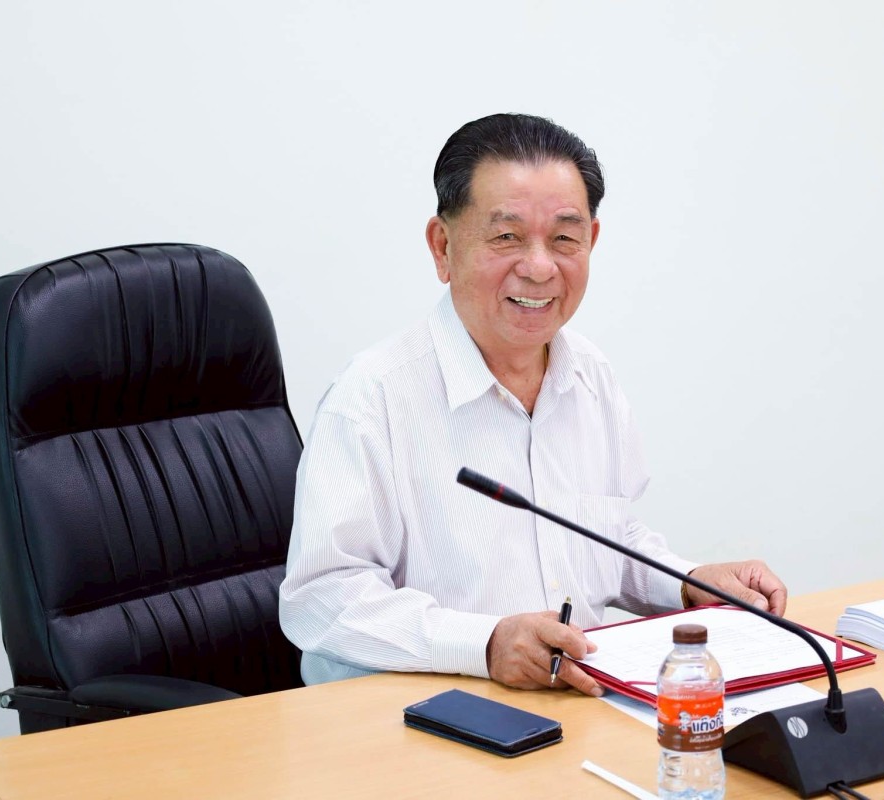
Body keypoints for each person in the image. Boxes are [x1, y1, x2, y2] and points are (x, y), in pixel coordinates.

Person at [279, 113, 787, 696]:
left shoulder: (590, 376)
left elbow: (605, 541)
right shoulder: (371, 398)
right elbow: (321, 599)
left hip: (571, 706)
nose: (540, 267)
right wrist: (485, 643)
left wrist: (690, 581)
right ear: (443, 247)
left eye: (565, 239)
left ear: (592, 242)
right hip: (409, 718)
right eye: (507, 237)